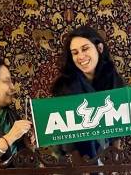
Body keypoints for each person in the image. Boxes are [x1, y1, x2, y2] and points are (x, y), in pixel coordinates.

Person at [52, 25, 124, 159]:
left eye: (85, 49)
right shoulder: (64, 86)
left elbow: (118, 127)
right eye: (75, 52)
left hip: (106, 157)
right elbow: (64, 138)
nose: (81, 56)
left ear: (99, 48)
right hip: (71, 160)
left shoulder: (115, 80)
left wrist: (113, 163)